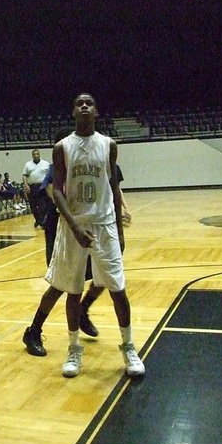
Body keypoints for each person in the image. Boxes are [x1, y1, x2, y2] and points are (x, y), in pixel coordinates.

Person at [40, 93, 145, 379]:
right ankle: (74, 349)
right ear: (73, 111)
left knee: (117, 288)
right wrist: (74, 225)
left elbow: (112, 186)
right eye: (79, 103)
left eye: (89, 103)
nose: (84, 106)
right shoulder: (62, 147)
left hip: (104, 224)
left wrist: (120, 230)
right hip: (74, 224)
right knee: (73, 290)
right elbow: (58, 190)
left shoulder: (109, 145)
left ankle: (129, 346)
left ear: (96, 111)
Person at [23, 128, 135, 356]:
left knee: (103, 277)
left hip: (95, 225)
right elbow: (53, 192)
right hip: (63, 226)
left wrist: (120, 214)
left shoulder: (103, 153)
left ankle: (83, 309)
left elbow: (114, 188)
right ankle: (33, 331)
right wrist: (73, 220)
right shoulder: (57, 167)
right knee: (61, 285)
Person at [23, 148, 51, 228]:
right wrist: (26, 185)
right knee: (33, 206)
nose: (36, 155)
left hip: (42, 186)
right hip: (32, 187)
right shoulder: (28, 165)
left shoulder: (45, 164)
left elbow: (49, 175)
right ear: (32, 155)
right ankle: (38, 220)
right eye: (34, 154)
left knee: (43, 205)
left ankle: (42, 222)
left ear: (39, 155)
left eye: (37, 154)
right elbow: (24, 175)